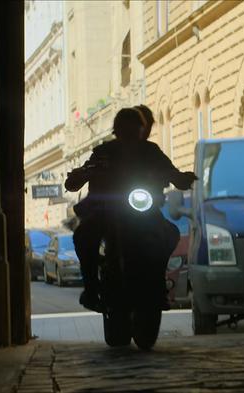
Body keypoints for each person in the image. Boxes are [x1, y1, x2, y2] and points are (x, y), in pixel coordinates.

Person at [65, 107, 196, 312]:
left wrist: (181, 178)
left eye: (134, 129)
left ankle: (159, 284)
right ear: (117, 131)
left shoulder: (150, 151)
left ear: (140, 131)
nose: (130, 135)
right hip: (106, 211)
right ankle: (91, 288)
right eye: (125, 130)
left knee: (170, 233)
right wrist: (81, 175)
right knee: (83, 235)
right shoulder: (104, 152)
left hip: (143, 211)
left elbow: (170, 171)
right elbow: (80, 175)